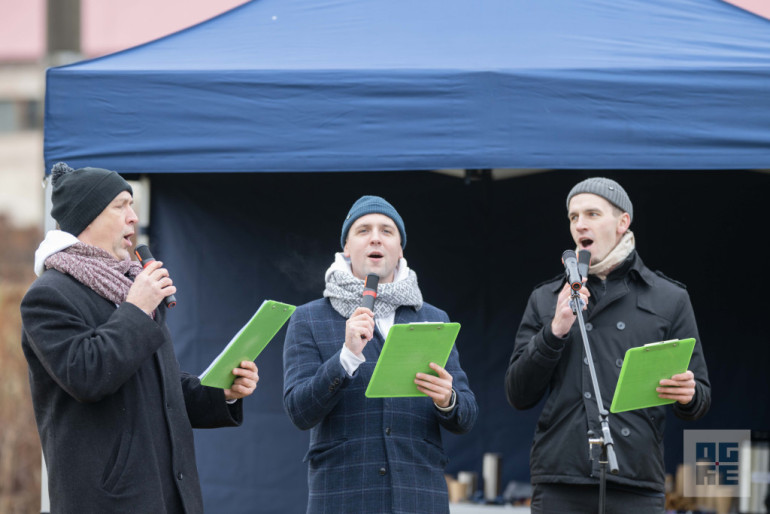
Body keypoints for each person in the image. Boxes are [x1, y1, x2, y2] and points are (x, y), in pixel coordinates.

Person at [20, 163, 260, 513]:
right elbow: (87, 376)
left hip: (168, 496)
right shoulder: (49, 296)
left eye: (133, 205)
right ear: (87, 217)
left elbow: (159, 388)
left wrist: (220, 392)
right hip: (107, 501)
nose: (133, 217)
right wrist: (136, 308)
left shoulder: (133, 287)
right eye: (121, 205)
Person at [505, 177, 710, 513]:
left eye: (592, 214)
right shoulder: (546, 298)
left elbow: (700, 395)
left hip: (635, 480)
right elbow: (518, 394)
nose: (580, 224)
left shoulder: (669, 298)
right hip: (561, 480)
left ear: (622, 222)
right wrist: (554, 330)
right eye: (573, 217)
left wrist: (689, 394)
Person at [283, 195, 478, 514]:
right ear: (346, 247)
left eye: (387, 231)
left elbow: (467, 415)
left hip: (418, 497)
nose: (375, 237)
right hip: (344, 497)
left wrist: (448, 399)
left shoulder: (432, 318)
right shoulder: (310, 318)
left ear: (400, 249)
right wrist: (345, 357)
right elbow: (299, 411)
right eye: (363, 230)